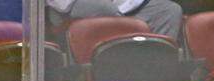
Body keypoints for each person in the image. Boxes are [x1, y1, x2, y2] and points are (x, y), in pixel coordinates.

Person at [47, 0, 183, 43]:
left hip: (123, 5)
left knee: (169, 10)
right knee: (105, 9)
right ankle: (118, 67)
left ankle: (157, 70)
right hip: (70, 6)